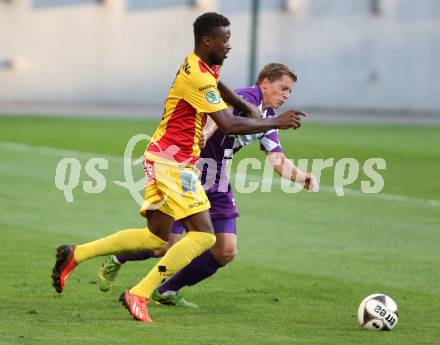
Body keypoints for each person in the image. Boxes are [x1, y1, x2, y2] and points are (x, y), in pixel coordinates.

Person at [51, 13, 305, 323]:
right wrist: (275, 120)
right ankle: (141, 293)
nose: (230, 46)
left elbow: (217, 84)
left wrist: (244, 104)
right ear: (207, 41)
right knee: (204, 237)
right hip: (175, 163)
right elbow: (226, 123)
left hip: (162, 156)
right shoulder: (196, 77)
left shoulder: (204, 63)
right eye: (225, 40)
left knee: (157, 239)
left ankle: (76, 254)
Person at [96, 63, 318, 308]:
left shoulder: (268, 118)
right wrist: (207, 131)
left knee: (225, 250)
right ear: (265, 82)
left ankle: (167, 290)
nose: (286, 95)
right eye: (283, 88)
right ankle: (118, 256)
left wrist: (301, 177)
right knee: (165, 247)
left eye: (290, 92)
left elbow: (278, 160)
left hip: (217, 178)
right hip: (188, 173)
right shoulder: (246, 97)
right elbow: (223, 114)